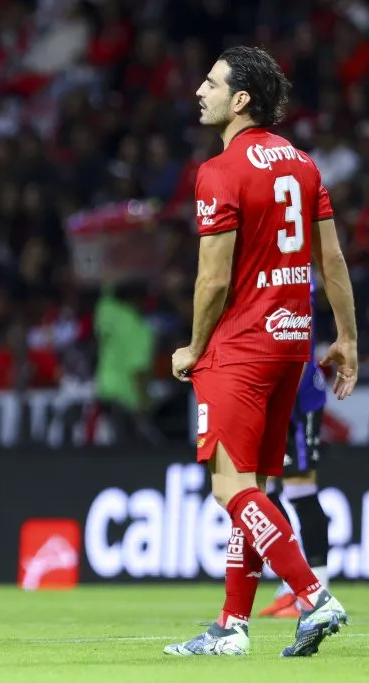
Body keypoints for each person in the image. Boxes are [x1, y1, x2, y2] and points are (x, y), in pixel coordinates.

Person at [165, 46, 357, 658]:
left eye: (212, 83)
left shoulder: (219, 171)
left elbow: (212, 280)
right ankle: (232, 626)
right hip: (292, 347)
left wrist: (194, 347)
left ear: (241, 99)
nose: (200, 90)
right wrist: (348, 338)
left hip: (241, 347)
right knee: (253, 488)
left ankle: (313, 596)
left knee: (230, 490)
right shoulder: (302, 163)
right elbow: (332, 261)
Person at [258, 279, 331, 619]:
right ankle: (293, 584)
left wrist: (280, 403)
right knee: (264, 492)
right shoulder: (265, 276)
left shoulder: (296, 280)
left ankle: (317, 589)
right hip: (270, 396)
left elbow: (298, 347)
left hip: (298, 401)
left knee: (301, 490)